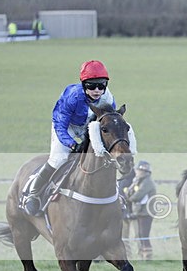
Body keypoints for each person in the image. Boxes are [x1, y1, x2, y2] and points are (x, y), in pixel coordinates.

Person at [21, 60, 116, 216]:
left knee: (105, 157)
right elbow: (60, 124)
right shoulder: (72, 96)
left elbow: (110, 121)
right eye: (91, 86)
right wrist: (72, 145)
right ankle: (34, 194)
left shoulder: (108, 98)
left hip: (89, 126)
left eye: (102, 85)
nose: (97, 90)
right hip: (68, 127)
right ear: (84, 85)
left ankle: (116, 196)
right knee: (58, 159)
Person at [123, 160, 157, 260]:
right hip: (141, 212)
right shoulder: (139, 181)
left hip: (146, 213)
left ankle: (147, 256)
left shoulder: (147, 182)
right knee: (142, 235)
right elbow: (130, 192)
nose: (137, 172)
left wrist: (128, 198)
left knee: (144, 235)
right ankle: (144, 255)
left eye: (138, 170)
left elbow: (137, 196)